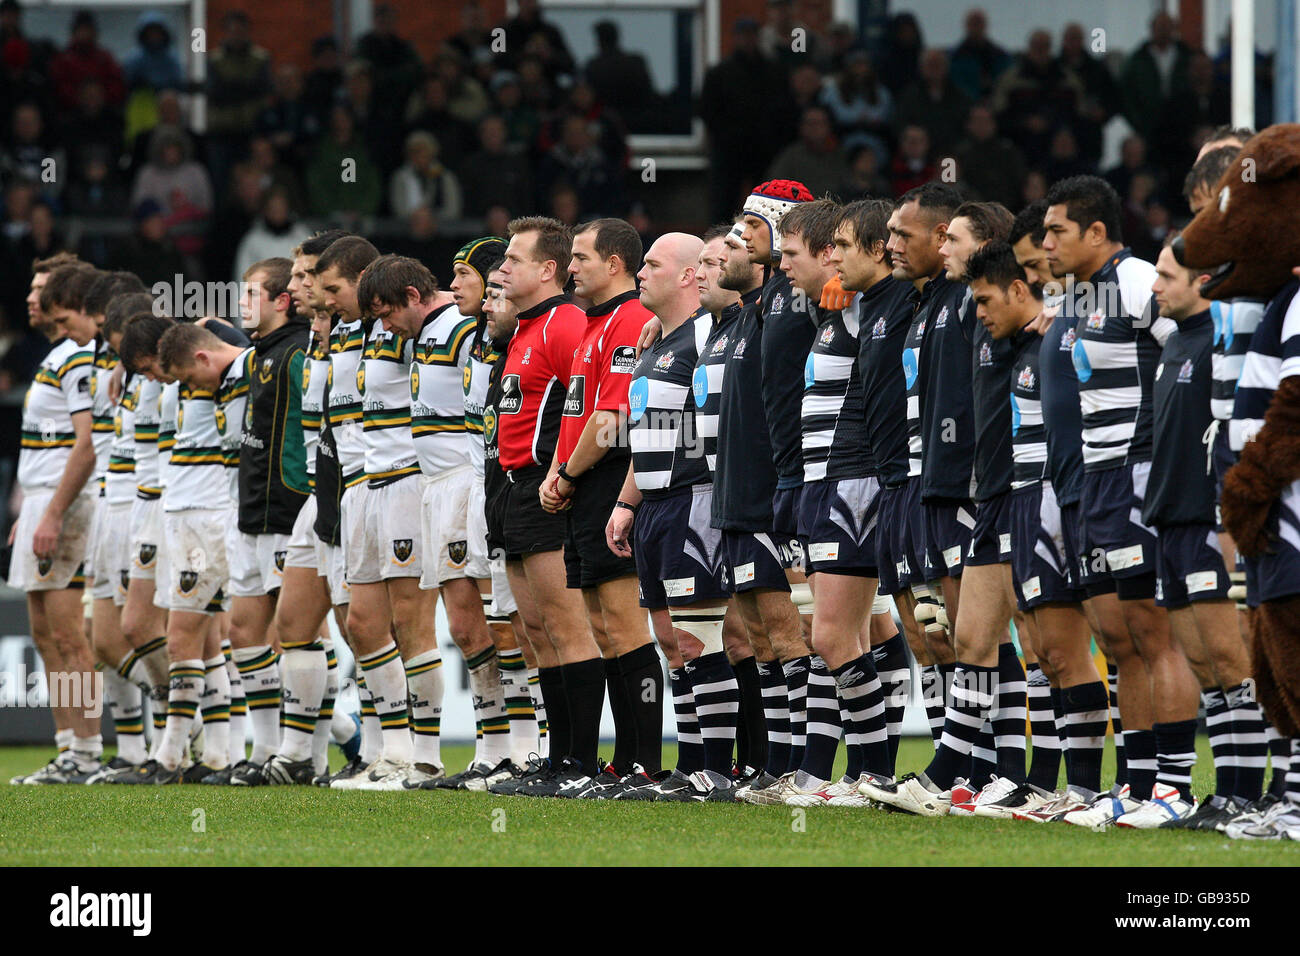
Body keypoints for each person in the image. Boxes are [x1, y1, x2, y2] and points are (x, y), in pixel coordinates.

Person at [1040, 176, 1201, 828]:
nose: (1045, 243)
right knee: (1118, 639)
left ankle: (1173, 787)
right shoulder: (1077, 299)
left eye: (1057, 231)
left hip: (1136, 476)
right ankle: (1135, 787)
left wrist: (1168, 456)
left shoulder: (1136, 281)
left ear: (1097, 233)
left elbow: (1189, 352)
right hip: (1094, 484)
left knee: (1154, 633)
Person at [360, 254, 508, 789]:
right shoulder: (421, 333)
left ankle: (520, 747)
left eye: (386, 312)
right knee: (466, 625)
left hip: (471, 484)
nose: (384, 326)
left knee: (504, 620)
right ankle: (490, 749)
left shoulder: (467, 330)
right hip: (435, 490)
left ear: (412, 296)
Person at [1137, 241, 1269, 829]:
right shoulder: (1173, 342)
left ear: (1204, 280)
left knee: (1228, 658)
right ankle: (1225, 795)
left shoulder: (1222, 345)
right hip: (1169, 520)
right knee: (1203, 663)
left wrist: (1225, 517)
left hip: (1205, 520)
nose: (1155, 287)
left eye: (1166, 276)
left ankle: (1250, 789)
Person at [606, 232, 739, 801]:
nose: (641, 273)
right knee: (669, 639)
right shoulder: (657, 343)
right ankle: (689, 768)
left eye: (652, 265)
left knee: (698, 638)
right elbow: (647, 434)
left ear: (688, 276)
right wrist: (627, 502)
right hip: (655, 504)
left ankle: (715, 768)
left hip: (693, 499)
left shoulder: (706, 336)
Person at [539, 219, 663, 794]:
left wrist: (566, 472)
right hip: (584, 486)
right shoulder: (593, 326)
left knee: (624, 625)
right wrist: (562, 473)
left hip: (610, 480)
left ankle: (644, 762)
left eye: (581, 258)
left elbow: (614, 422)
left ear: (614, 263)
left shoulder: (631, 320)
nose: (571, 268)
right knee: (604, 627)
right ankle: (621, 761)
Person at [493, 217, 604, 796]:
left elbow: (585, 404)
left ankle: (581, 764)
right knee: (536, 629)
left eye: (513, 259)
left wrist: (565, 474)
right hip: (516, 487)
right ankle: (557, 758)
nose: (502, 268)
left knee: (566, 627)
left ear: (547, 271)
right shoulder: (524, 327)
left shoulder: (564, 323)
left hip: (547, 486)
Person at [9, 263, 102, 783]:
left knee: (70, 638)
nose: (31, 297)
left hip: (66, 506)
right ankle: (68, 745)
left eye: (41, 290)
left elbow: (84, 446)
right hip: (43, 505)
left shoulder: (78, 361)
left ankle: (87, 751)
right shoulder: (57, 355)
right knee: (45, 634)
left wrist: (53, 511)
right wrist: (32, 512)